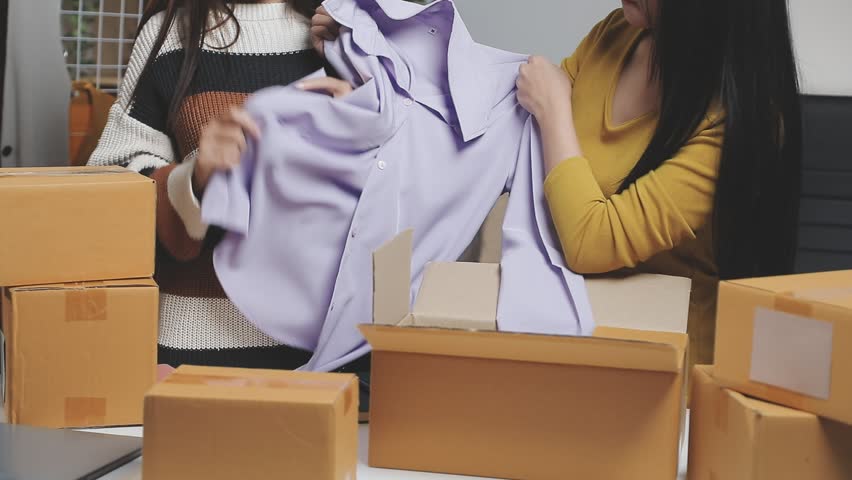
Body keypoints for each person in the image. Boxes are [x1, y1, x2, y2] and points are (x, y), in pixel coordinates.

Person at [515, 0, 802, 368]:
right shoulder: (616, 33)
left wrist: (553, 109)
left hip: (666, 367)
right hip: (566, 331)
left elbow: (591, 241)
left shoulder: (742, 123)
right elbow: (533, 142)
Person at [88, 0, 334, 370]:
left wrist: (365, 90)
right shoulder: (171, 33)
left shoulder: (345, 36)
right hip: (194, 347)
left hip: (324, 353)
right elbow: (109, 186)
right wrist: (195, 179)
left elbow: (399, 198)